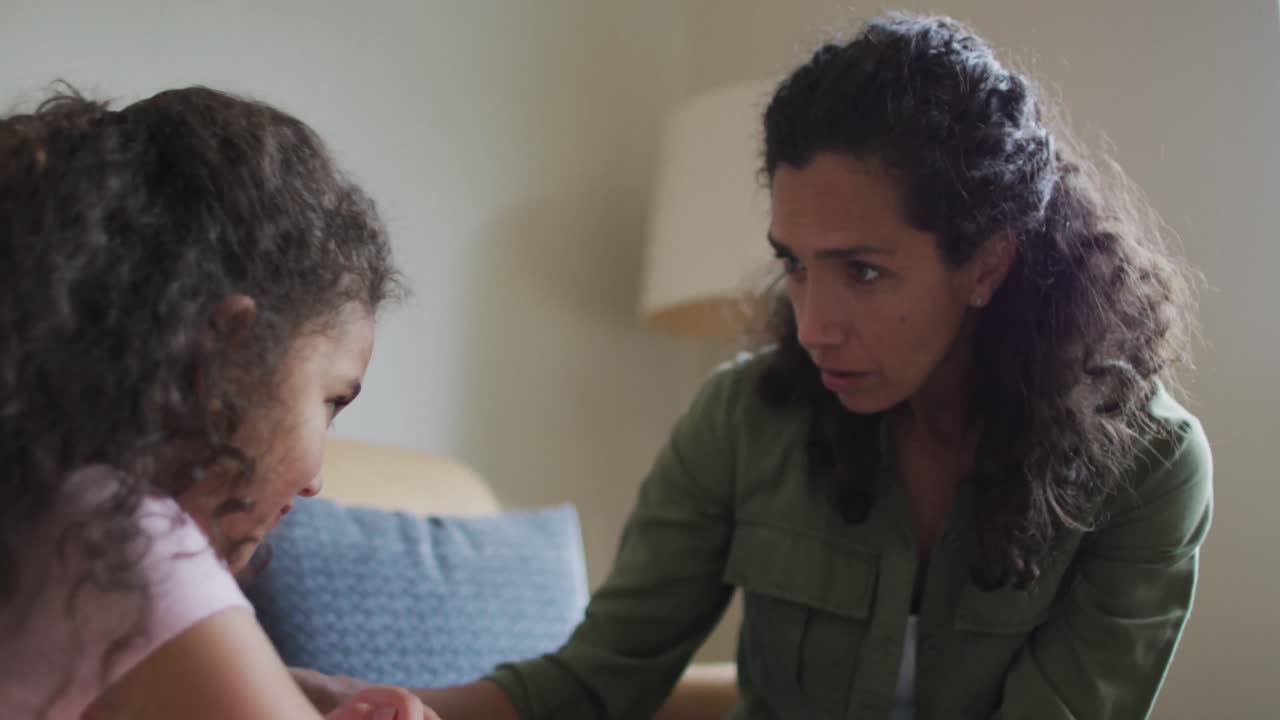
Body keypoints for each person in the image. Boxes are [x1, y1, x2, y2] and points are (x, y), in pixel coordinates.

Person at [296, 12, 1212, 720]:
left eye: (862, 270)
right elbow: (593, 680)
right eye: (794, 264)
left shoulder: (1147, 467)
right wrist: (351, 699)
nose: (813, 326)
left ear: (987, 263)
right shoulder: (744, 417)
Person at [0, 86, 432, 720]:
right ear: (224, 355)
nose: (315, 480)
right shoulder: (119, 540)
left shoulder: (38, 510)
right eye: (331, 400)